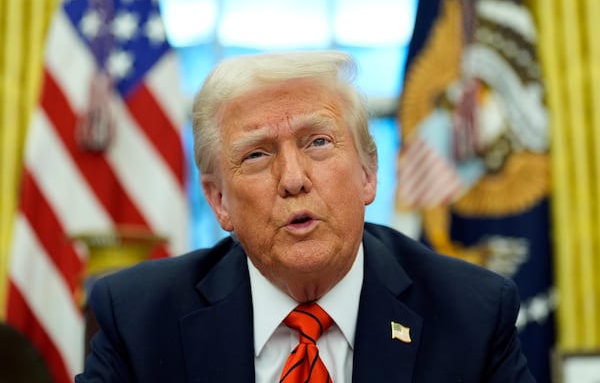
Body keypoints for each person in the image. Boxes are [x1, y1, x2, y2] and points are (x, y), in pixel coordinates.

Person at [75, 51, 535, 382]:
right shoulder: (140, 320)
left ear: (368, 174)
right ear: (218, 200)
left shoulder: (469, 314)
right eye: (256, 154)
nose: (292, 178)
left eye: (318, 142)